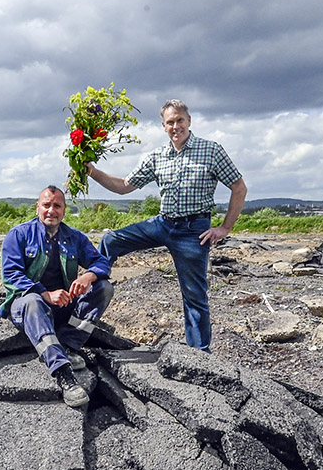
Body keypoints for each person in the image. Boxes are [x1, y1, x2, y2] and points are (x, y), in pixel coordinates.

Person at [86, 99, 246, 351]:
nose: (175, 126)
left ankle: (199, 356)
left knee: (194, 296)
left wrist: (225, 228)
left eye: (180, 120)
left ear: (189, 121)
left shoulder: (211, 150)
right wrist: (93, 172)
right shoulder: (157, 157)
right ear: (163, 126)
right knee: (110, 240)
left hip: (194, 232)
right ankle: (91, 297)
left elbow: (238, 187)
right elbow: (125, 186)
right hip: (162, 224)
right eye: (170, 122)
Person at [0, 185, 113, 407]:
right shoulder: (19, 235)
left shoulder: (74, 237)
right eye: (46, 205)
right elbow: (11, 274)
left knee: (104, 288)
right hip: (28, 306)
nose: (51, 210)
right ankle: (63, 373)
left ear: (64, 210)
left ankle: (69, 345)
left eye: (57, 206)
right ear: (37, 208)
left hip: (62, 306)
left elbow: (101, 262)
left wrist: (88, 276)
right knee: (33, 301)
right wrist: (45, 293)